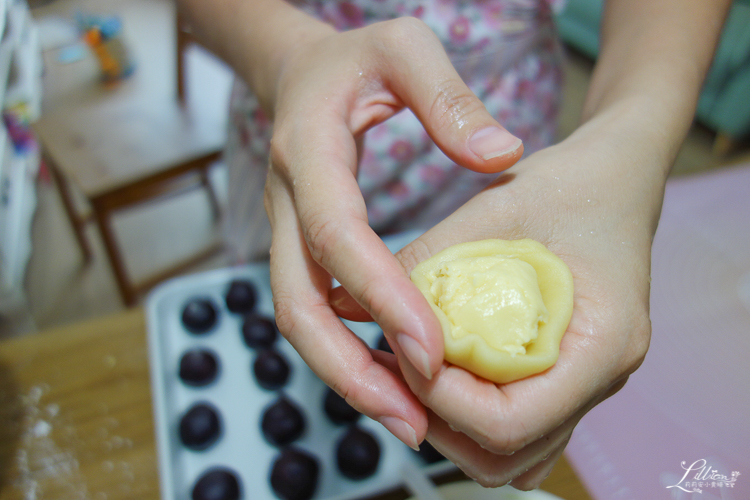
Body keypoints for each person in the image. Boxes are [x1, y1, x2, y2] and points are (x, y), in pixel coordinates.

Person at [176, 0, 731, 489]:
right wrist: (290, 55)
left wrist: (631, 135)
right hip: (307, 141)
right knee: (306, 332)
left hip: (510, 173)